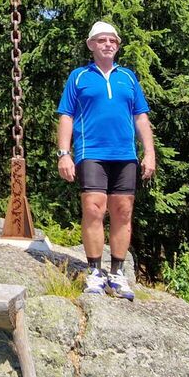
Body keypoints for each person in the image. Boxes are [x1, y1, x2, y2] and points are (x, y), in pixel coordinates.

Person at [56, 21, 156, 300]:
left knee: (123, 211)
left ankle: (117, 274)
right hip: (91, 153)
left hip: (125, 154)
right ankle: (94, 272)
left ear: (118, 46)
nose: (108, 44)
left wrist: (149, 152)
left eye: (112, 40)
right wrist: (64, 153)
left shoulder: (128, 78)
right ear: (91, 45)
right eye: (102, 40)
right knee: (93, 209)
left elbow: (141, 117)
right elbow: (66, 116)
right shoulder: (79, 77)